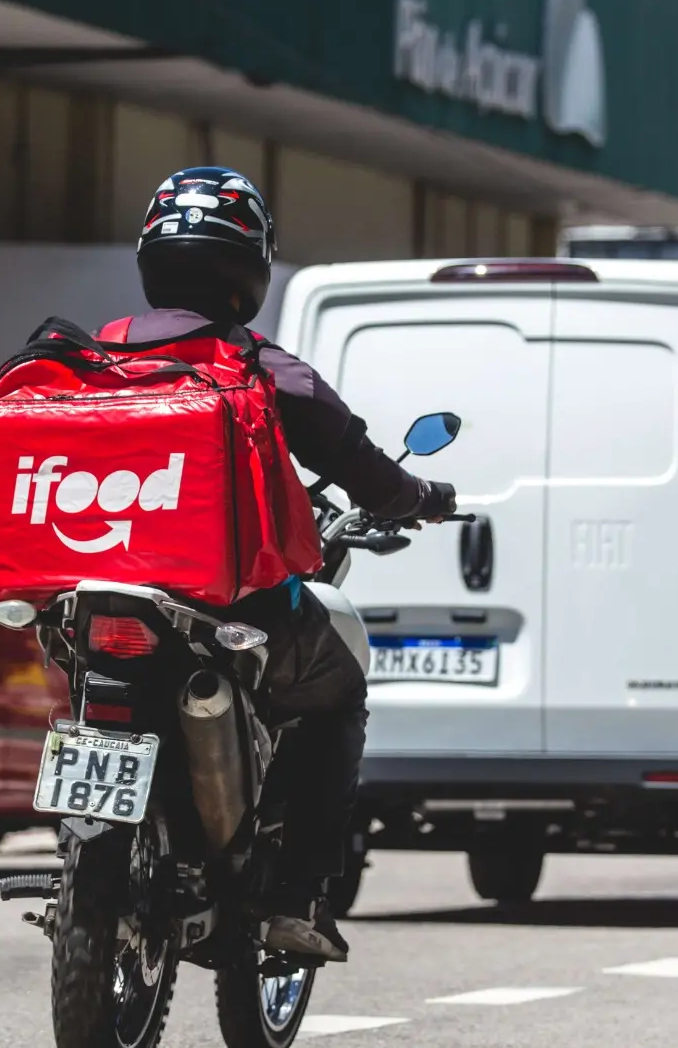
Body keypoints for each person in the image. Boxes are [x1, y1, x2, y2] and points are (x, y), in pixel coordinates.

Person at [112, 167, 458, 962]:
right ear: (250, 270)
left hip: (96, 600)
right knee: (336, 691)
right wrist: (426, 495)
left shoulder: (92, 356)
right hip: (224, 605)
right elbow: (369, 470)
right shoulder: (263, 370)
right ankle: (293, 896)